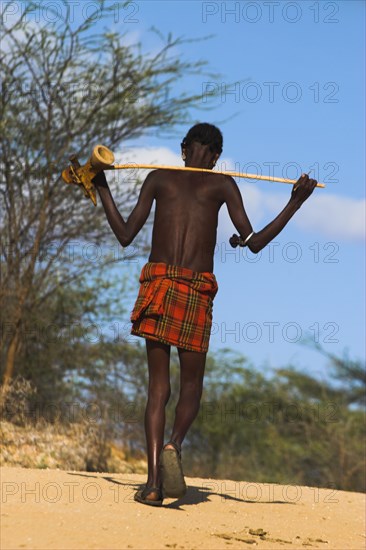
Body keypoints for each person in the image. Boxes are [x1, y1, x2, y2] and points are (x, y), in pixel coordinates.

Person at [92, 122, 318, 506]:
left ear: (184, 150)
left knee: (157, 389)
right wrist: (295, 202)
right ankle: (174, 443)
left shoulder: (159, 179)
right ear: (214, 156)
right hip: (195, 290)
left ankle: (151, 485)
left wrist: (100, 186)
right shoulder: (222, 185)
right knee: (192, 386)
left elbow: (126, 234)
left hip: (159, 286)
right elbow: (256, 243)